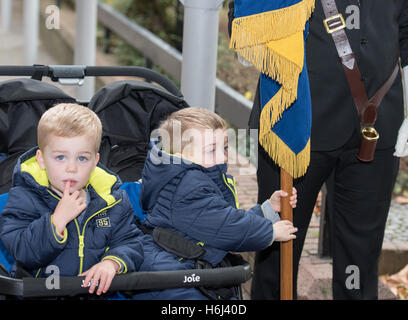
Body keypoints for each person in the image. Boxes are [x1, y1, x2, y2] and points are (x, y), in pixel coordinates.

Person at [227, 0, 408, 299]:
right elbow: (246, 14)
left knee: (361, 258)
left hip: (376, 125)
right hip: (295, 124)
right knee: (278, 251)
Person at [132, 107, 298, 300]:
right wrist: (270, 232)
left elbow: (221, 220)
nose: (223, 157)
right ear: (180, 156)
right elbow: (228, 227)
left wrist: (268, 209)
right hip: (176, 281)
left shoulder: (194, 177)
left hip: (188, 263)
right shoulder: (188, 188)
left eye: (225, 147)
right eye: (212, 150)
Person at [0, 103, 144, 297]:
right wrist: (56, 221)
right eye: (60, 157)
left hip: (93, 293)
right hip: (39, 294)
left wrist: (113, 262)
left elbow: (130, 241)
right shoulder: (25, 197)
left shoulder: (112, 200)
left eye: (82, 159)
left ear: (95, 161)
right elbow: (22, 251)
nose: (72, 168)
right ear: (41, 159)